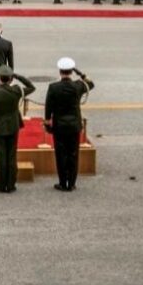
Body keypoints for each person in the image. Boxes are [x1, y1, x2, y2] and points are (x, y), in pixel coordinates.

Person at [45, 57, 94, 192]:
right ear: (71, 72)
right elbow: (91, 84)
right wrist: (81, 74)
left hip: (59, 125)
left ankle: (62, 182)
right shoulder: (78, 86)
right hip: (74, 125)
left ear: (60, 71)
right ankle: (71, 183)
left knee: (61, 154)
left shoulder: (53, 87)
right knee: (73, 154)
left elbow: (48, 107)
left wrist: (48, 121)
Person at [0, 65, 35, 193]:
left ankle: (2, 185)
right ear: (11, 78)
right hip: (13, 126)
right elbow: (31, 87)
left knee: (1, 157)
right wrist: (18, 76)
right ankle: (11, 184)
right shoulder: (16, 91)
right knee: (12, 155)